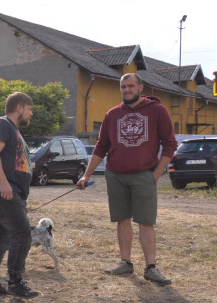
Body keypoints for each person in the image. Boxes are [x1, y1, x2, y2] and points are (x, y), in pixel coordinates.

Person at [76, 73, 177, 286]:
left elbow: (170, 144)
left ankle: (151, 268)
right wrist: (86, 174)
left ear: (140, 87)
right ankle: (125, 262)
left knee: (146, 222)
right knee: (122, 220)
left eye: (131, 86)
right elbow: (101, 147)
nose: (127, 90)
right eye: (123, 87)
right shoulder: (112, 115)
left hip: (144, 175)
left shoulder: (157, 110)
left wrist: (156, 174)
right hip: (116, 175)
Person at [0, 92, 40, 299]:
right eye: (29, 109)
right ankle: (15, 282)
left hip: (11, 191)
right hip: (4, 191)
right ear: (19, 108)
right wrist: (4, 183)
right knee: (23, 234)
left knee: (1, 236)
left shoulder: (12, 129)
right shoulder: (2, 124)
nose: (31, 114)